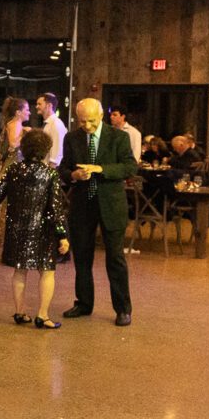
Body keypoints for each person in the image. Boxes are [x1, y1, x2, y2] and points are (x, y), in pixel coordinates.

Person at [0, 127, 70, 328]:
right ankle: (42, 315)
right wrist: (62, 235)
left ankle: (20, 312)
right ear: (46, 149)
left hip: (16, 228)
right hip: (43, 229)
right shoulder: (50, 174)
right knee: (47, 271)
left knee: (19, 271)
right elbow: (55, 208)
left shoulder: (13, 170)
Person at [60, 97, 136, 326]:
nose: (87, 126)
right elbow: (63, 168)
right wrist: (73, 175)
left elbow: (130, 166)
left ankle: (123, 309)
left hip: (111, 205)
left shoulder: (119, 137)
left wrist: (101, 169)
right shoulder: (72, 138)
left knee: (115, 259)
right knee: (82, 258)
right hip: (83, 205)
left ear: (101, 116)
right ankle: (84, 303)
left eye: (92, 121)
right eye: (82, 122)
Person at [34, 92, 67, 166]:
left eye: (39, 104)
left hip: (52, 168)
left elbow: (57, 149)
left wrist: (51, 170)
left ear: (49, 106)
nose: (36, 106)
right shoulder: (48, 123)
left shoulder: (56, 124)